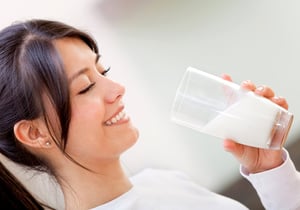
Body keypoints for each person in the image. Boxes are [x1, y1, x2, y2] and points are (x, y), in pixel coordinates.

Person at [0, 19, 299, 210]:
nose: (117, 88)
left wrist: (268, 169)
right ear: (34, 133)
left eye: (104, 71)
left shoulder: (163, 183)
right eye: (86, 86)